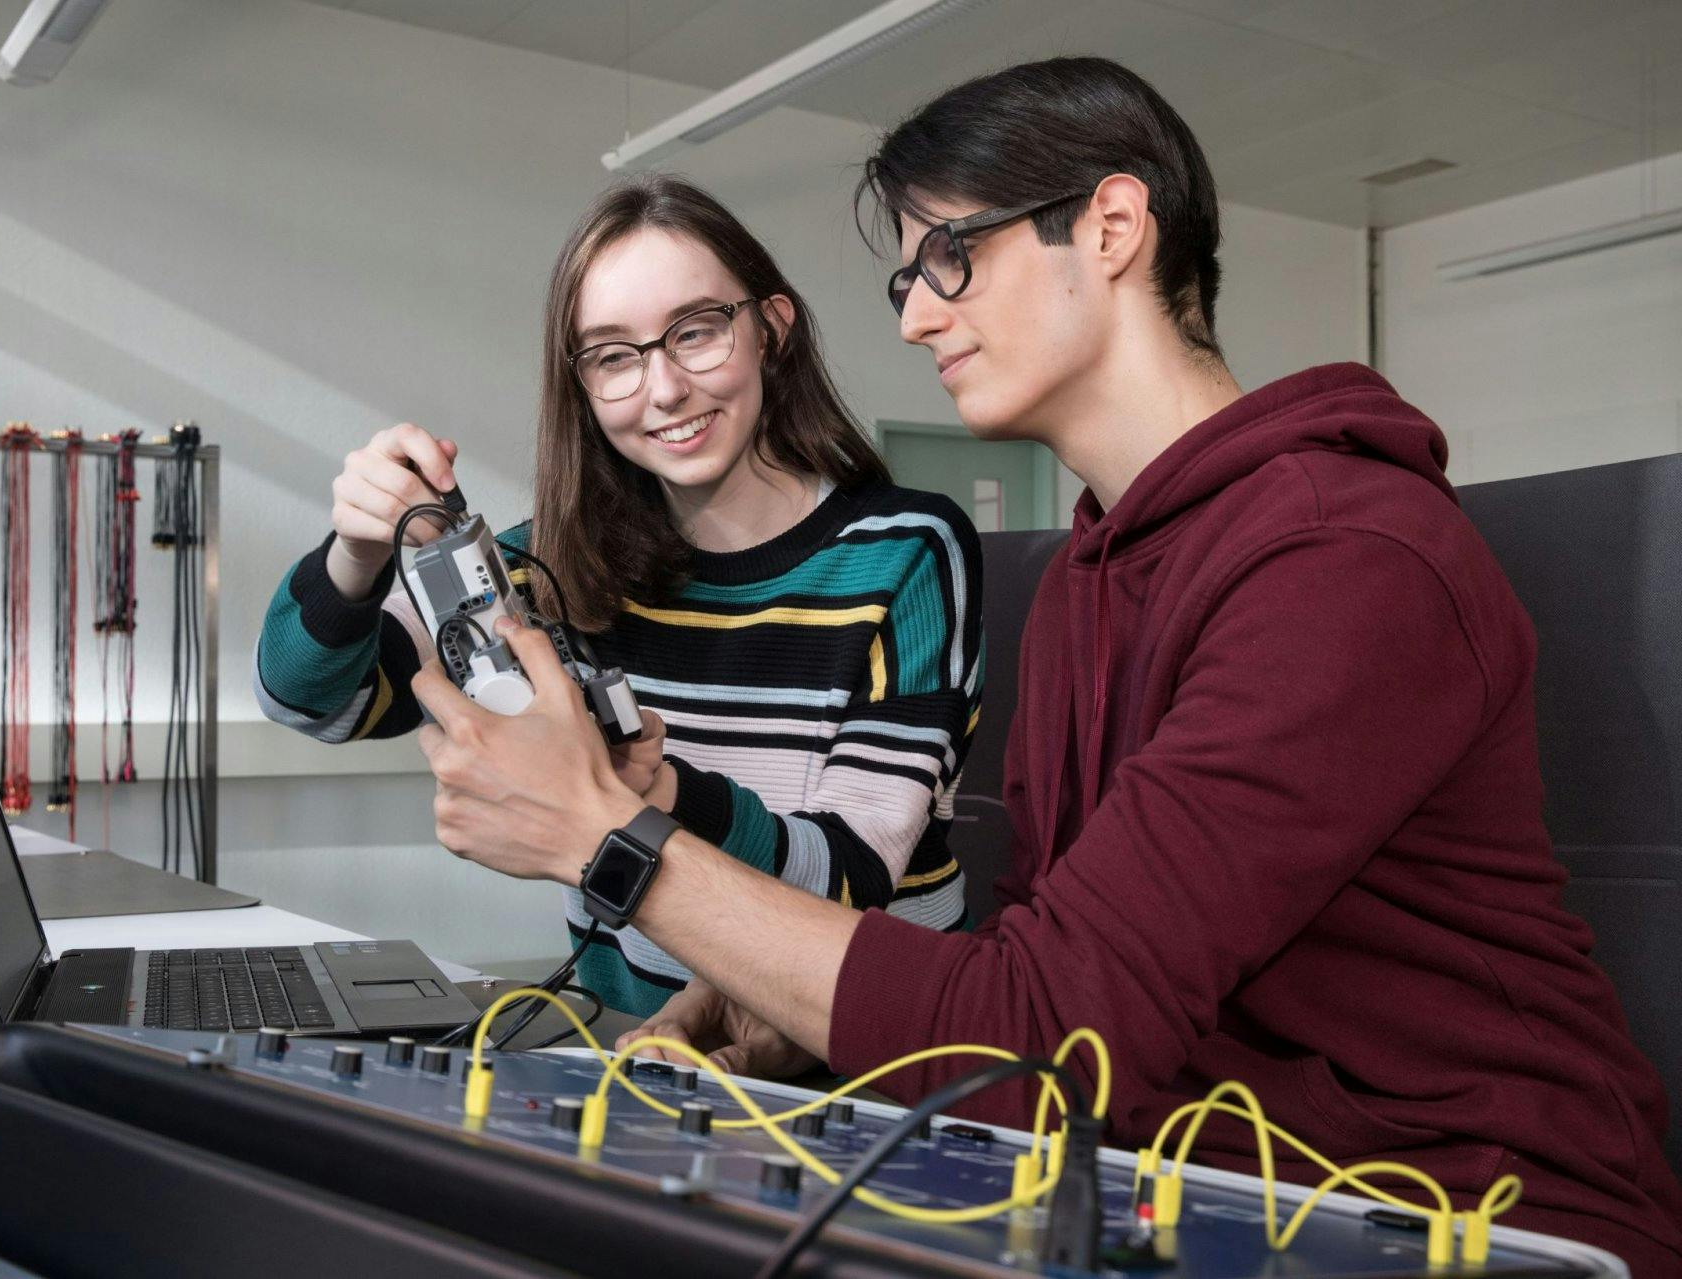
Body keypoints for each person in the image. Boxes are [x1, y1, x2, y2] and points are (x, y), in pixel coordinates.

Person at [408, 59, 1682, 1270]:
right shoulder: (1092, 570)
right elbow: (1045, 951)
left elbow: (1041, 1034)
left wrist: (600, 835)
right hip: (1197, 1179)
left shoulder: (1345, 557)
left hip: (1471, 1211)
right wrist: (765, 1012)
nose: (913, 315)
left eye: (947, 257)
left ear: (1115, 224)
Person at [255, 175, 982, 1020]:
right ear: (583, 385)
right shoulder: (543, 569)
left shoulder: (903, 554)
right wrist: (355, 550)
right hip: (628, 1046)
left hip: (866, 1060)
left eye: (697, 332)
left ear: (772, 330)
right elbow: (311, 699)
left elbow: (847, 883)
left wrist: (645, 795)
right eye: (614, 356)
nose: (664, 388)